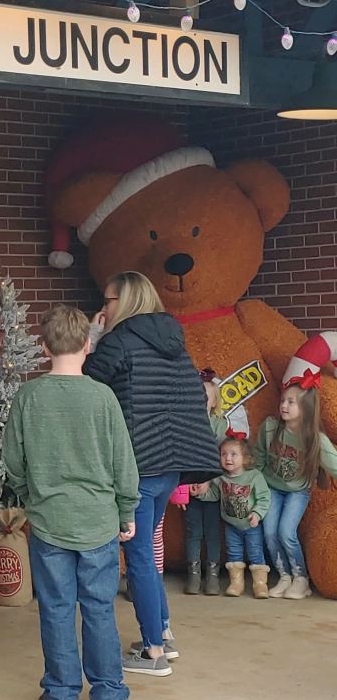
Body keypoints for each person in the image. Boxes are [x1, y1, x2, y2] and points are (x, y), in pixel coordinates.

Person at [3, 305, 139, 700]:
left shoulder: (28, 396)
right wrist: (126, 511)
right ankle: (110, 693)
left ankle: (61, 695)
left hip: (48, 522)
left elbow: (13, 460)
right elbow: (123, 463)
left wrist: (31, 496)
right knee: (99, 607)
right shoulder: (103, 396)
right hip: (97, 521)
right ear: (87, 344)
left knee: (57, 607)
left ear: (43, 346)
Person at [84, 271, 220, 677]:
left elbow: (86, 383)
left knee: (140, 555)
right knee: (146, 553)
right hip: (170, 466)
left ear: (123, 303)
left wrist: (93, 335)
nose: (103, 307)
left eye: (107, 300)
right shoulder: (174, 343)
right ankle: (163, 633)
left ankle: (154, 652)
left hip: (138, 466)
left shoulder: (120, 342)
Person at [253, 381, 337, 600]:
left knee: (286, 532)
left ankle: (301, 578)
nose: (284, 406)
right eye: (283, 400)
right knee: (270, 533)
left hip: (297, 491)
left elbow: (334, 466)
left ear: (306, 408)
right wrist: (258, 490)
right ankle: (284, 576)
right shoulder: (270, 427)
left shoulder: (315, 439)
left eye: (291, 402)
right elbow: (258, 459)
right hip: (272, 487)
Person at [192, 434, 271, 598]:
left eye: (234, 454)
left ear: (245, 458)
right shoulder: (221, 478)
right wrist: (201, 493)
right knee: (233, 554)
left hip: (251, 525)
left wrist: (257, 514)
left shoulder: (254, 476)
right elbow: (214, 495)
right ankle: (236, 583)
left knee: (255, 553)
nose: (228, 458)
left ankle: (260, 584)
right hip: (231, 525)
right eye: (223, 454)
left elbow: (264, 497)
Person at [180, 369, 231, 596]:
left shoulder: (219, 425)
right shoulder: (186, 424)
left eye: (206, 397)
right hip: (190, 488)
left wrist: (210, 481)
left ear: (213, 402)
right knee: (193, 531)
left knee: (212, 531)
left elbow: (226, 459)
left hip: (212, 487)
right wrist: (183, 484)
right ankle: (193, 573)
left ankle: (212, 574)